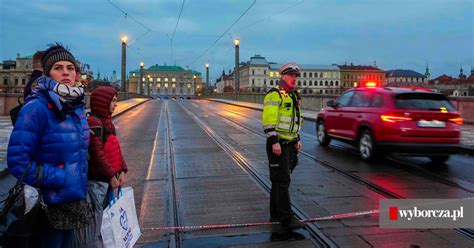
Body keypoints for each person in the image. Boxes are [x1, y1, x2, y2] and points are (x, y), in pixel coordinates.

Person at [7, 43, 90, 247]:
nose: (65, 73)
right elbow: (17, 161)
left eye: (70, 68)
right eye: (58, 68)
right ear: (47, 73)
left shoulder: (75, 106)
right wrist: (60, 177)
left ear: (77, 74)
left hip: (73, 202)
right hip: (48, 205)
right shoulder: (36, 107)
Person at [75, 86, 127, 247]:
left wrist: (123, 169)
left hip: (110, 178)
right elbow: (97, 154)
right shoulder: (94, 122)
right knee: (98, 220)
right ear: (102, 103)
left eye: (116, 101)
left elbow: (115, 148)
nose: (115, 104)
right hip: (99, 180)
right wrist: (111, 175)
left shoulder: (107, 122)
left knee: (108, 216)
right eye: (113, 101)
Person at [262, 62, 305, 233]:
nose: (294, 78)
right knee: (282, 181)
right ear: (283, 76)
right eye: (291, 75)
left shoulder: (293, 96)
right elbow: (268, 121)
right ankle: (287, 218)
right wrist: (274, 142)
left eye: (296, 76)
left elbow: (295, 120)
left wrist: (297, 139)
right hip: (278, 144)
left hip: (289, 144)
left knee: (279, 181)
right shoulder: (274, 95)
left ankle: (275, 214)